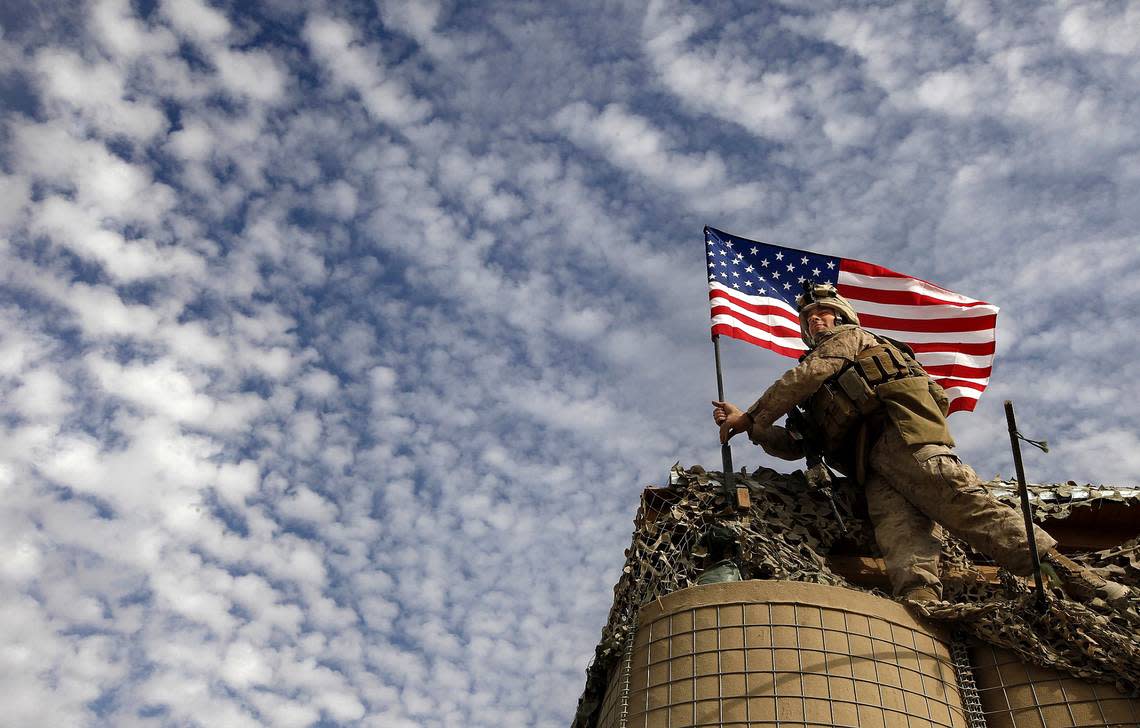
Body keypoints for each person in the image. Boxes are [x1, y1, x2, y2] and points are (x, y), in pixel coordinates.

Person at [712, 283, 1130, 608]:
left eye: (825, 314)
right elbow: (794, 445)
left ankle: (1071, 574)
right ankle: (922, 609)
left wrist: (750, 415)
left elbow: (808, 374)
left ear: (841, 318)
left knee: (967, 506)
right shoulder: (815, 396)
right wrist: (754, 428)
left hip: (904, 438)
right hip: (872, 466)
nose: (817, 321)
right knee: (902, 545)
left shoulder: (849, 339)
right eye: (811, 319)